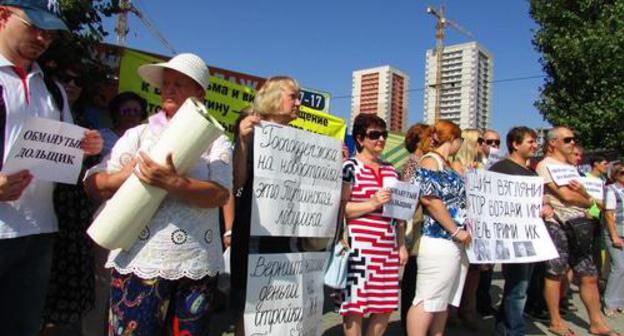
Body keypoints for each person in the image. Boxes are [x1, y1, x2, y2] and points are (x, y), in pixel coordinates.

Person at [84, 53, 232, 335]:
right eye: (166, 84)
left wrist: (173, 182)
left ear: (199, 92)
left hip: (195, 262)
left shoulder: (216, 140)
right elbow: (94, 185)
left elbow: (219, 195)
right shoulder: (138, 135)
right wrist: (124, 176)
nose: (170, 89)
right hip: (140, 261)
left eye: (180, 83)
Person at [0, 2, 103, 335]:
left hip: (39, 231)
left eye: (50, 30)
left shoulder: (53, 91)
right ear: (3, 15)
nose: (43, 38)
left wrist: (88, 147)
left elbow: (67, 157)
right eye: (34, 26)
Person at [229, 76, 302, 336]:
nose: (298, 102)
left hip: (288, 236)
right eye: (293, 96)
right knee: (249, 306)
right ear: (273, 97)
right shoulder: (251, 130)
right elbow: (236, 181)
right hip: (254, 231)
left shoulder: (300, 139)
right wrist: (242, 143)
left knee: (279, 304)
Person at [536, 126, 619, 336]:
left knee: (589, 275)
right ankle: (555, 320)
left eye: (573, 139)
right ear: (553, 143)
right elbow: (567, 196)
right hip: (557, 223)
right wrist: (587, 198)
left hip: (580, 225)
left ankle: (596, 322)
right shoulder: (545, 165)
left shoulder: (572, 168)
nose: (572, 142)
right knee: (555, 273)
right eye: (567, 139)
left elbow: (595, 202)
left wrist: (585, 196)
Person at [339, 113, 407, 336]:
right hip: (358, 246)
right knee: (354, 306)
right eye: (374, 135)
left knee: (385, 305)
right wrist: (371, 203)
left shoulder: (390, 170)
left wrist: (401, 244)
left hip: (386, 246)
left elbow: (398, 213)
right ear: (359, 138)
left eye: (383, 134)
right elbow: (341, 208)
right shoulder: (349, 167)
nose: (381, 139)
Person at [406, 120, 471, 336]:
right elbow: (430, 200)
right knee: (427, 298)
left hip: (452, 241)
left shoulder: (446, 163)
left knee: (443, 300)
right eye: (459, 140)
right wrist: (455, 230)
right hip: (439, 239)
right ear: (453, 139)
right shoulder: (430, 161)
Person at [450, 128, 483, 329]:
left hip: (477, 227)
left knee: (474, 271)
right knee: (458, 269)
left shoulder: (481, 166)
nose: (484, 145)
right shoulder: (455, 165)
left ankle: (467, 308)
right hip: (460, 226)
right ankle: (451, 310)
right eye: (480, 140)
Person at [400, 123, 428, 334]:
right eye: (429, 137)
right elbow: (407, 194)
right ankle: (407, 323)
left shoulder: (425, 161)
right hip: (415, 224)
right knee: (412, 274)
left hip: (421, 224)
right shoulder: (413, 162)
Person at [476, 129, 501, 316]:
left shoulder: (501, 165)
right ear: (481, 143)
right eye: (490, 142)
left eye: (497, 143)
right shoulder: (473, 163)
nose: (494, 146)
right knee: (475, 268)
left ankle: (483, 303)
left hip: (494, 221)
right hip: (477, 222)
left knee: (488, 266)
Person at [602, 165, 624, 316]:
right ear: (616, 175)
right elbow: (609, 215)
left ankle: (620, 302)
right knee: (619, 267)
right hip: (615, 231)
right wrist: (614, 236)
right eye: (622, 173)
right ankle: (610, 303)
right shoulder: (611, 190)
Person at [99, 91, 148, 157]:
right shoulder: (102, 137)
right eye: (126, 111)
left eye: (136, 111)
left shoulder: (148, 140)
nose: (131, 115)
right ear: (116, 113)